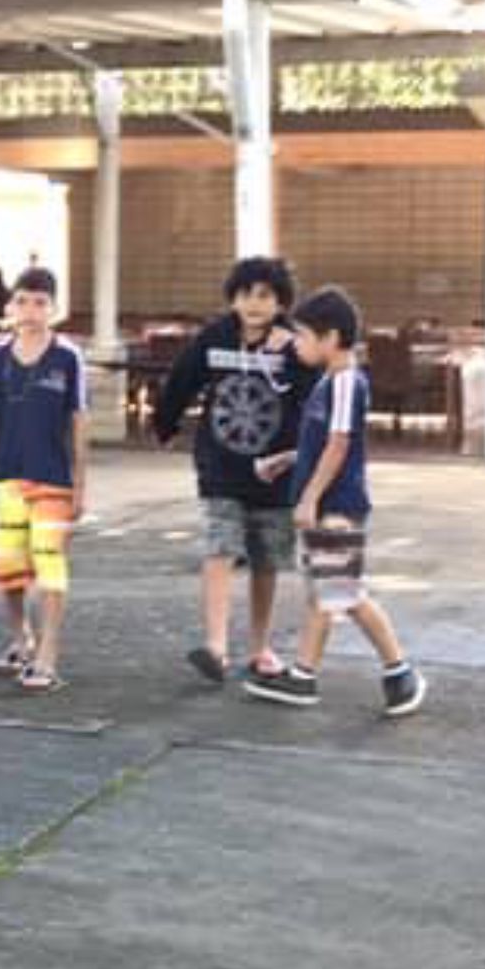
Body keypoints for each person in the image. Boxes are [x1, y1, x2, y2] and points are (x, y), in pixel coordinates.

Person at [245, 288, 426, 717]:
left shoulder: (346, 381)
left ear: (330, 337)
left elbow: (340, 444)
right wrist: (285, 461)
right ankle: (309, 676)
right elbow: (323, 443)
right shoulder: (330, 381)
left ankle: (397, 672)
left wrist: (309, 497)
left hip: (338, 504)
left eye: (303, 336)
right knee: (329, 592)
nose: (296, 344)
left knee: (340, 591)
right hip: (329, 501)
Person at [150, 256, 318, 685]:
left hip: (275, 471)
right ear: (233, 298)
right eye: (246, 294)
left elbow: (313, 395)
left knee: (266, 560)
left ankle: (261, 647)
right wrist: (165, 423)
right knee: (219, 548)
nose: (254, 304)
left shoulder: (295, 343)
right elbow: (182, 380)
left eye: (265, 295)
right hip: (221, 464)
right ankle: (216, 647)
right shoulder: (215, 337)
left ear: (281, 301)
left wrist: (293, 358)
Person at [0, 268, 87, 693]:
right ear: (10, 305)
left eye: (40, 302)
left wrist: (81, 484)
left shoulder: (67, 358)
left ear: (54, 308)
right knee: (9, 566)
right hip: (8, 476)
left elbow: (77, 420)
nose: (30, 311)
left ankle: (48, 655)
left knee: (50, 563)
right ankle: (21, 639)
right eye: (23, 301)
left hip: (52, 477)